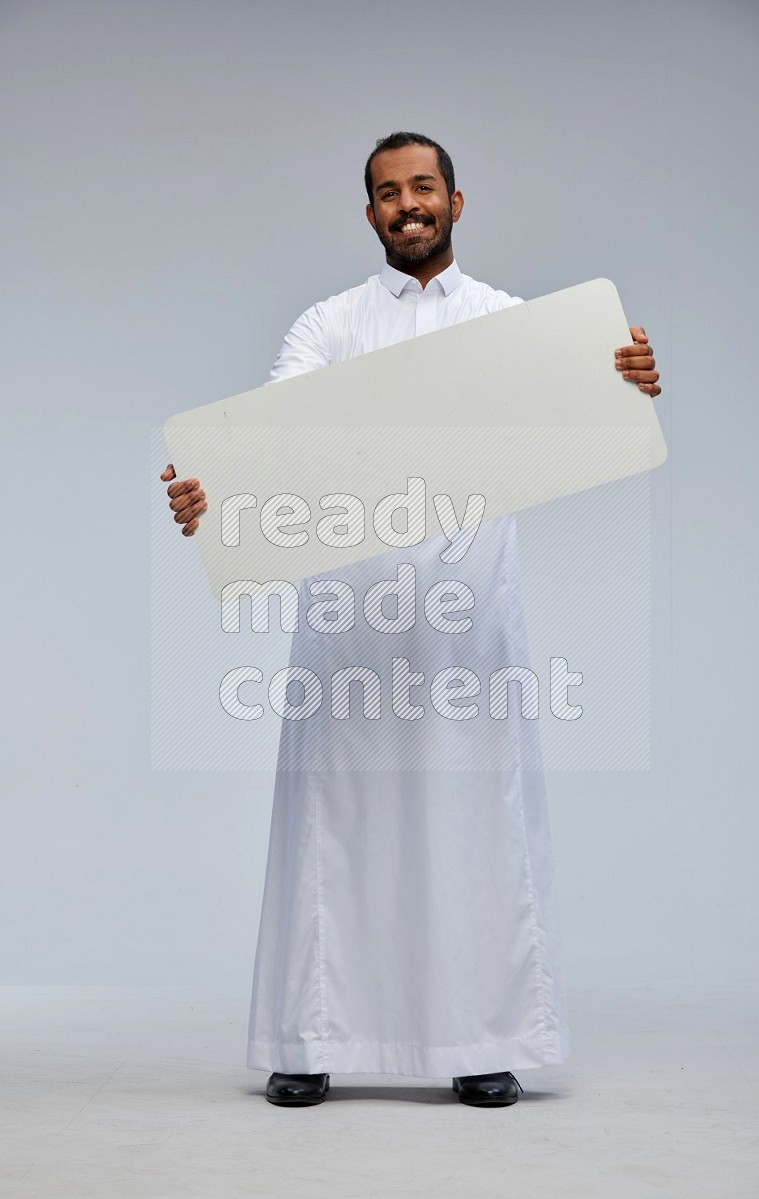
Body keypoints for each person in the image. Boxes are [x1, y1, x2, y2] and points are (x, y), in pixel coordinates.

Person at [161, 131, 661, 1109]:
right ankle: (307, 1036)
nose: (407, 205)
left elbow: (589, 400)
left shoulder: (511, 323)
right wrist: (211, 491)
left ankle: (482, 1037)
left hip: (467, 629)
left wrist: (625, 376)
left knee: (474, 823)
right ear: (369, 215)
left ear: (456, 202)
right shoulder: (328, 325)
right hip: (348, 626)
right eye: (387, 193)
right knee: (329, 828)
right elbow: (269, 438)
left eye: (422, 187)